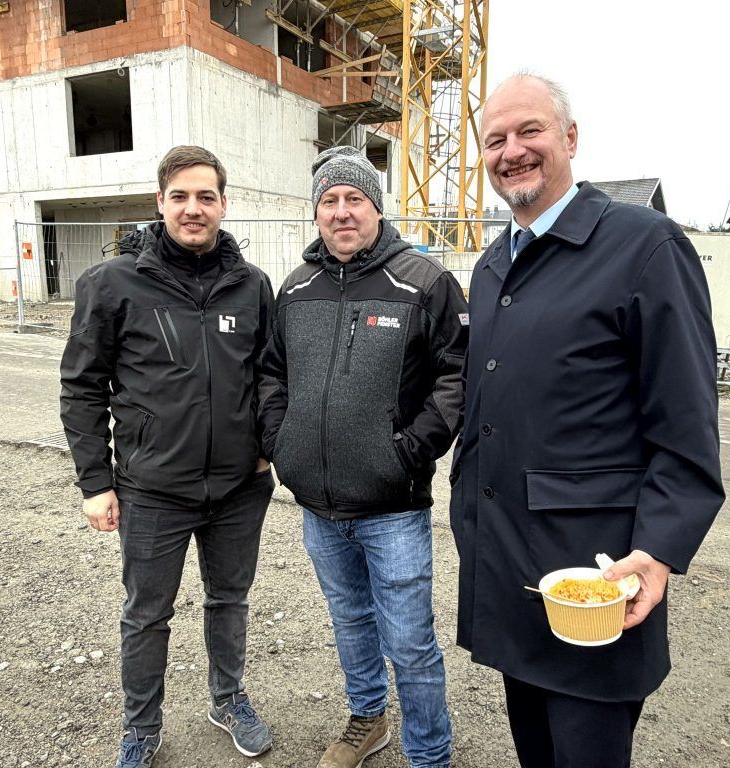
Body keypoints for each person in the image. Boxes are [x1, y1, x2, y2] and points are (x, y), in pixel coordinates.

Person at [450, 74, 726, 767]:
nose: (512, 151)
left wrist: (660, 550)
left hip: (599, 579)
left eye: (530, 131)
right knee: (536, 754)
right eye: (495, 140)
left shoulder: (643, 247)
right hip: (514, 571)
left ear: (569, 138)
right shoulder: (491, 269)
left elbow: (686, 425)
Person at [60, 146, 277, 767]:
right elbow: (81, 386)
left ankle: (228, 697)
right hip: (152, 489)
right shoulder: (113, 284)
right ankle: (141, 725)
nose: (193, 208)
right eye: (180, 196)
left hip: (239, 490)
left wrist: (264, 449)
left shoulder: (251, 285)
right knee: (147, 614)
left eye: (205, 197)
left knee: (228, 600)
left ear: (223, 205)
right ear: (160, 203)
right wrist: (95, 483)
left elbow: (269, 377)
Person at [259, 145, 468, 768]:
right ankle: (368, 720)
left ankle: (429, 753)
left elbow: (455, 378)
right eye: (330, 201)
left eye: (355, 200)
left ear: (377, 207)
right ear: (316, 211)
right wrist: (281, 443)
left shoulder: (424, 282)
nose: (342, 213)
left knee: (408, 640)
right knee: (351, 622)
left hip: (392, 506)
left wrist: (406, 452)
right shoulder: (296, 288)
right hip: (318, 505)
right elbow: (272, 374)